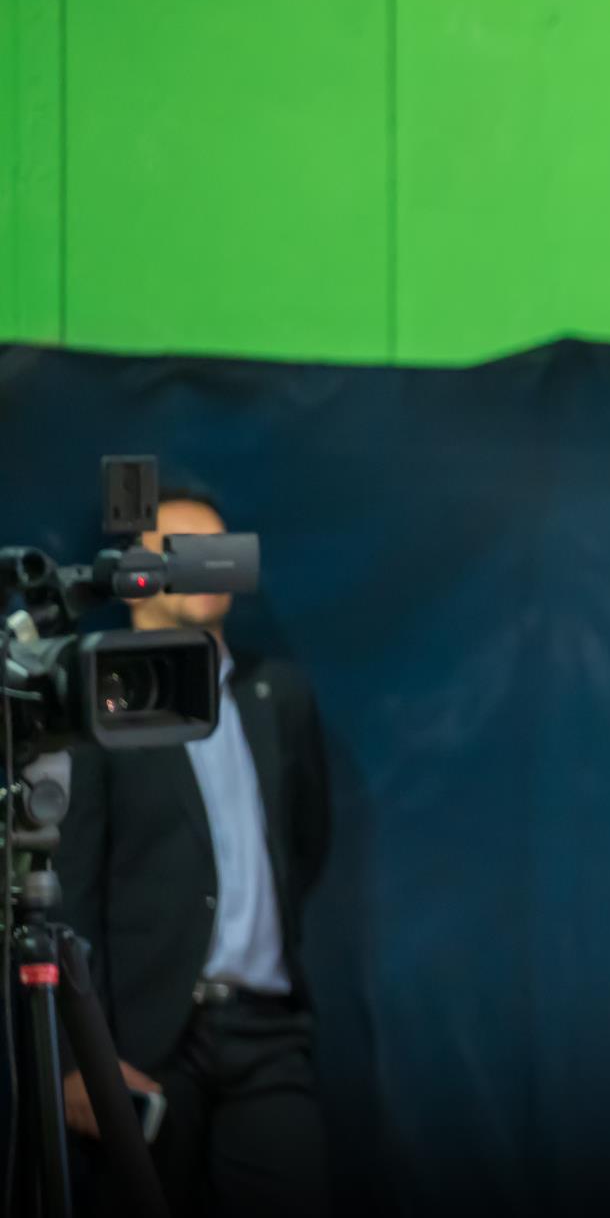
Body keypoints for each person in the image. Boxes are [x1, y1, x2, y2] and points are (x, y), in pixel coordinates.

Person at [55, 483, 332, 1218]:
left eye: (218, 551)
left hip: (266, 1032)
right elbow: (69, 888)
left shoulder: (278, 695)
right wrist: (80, 1059)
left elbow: (306, 842)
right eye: (182, 551)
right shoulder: (96, 705)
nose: (207, 568)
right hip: (146, 1041)